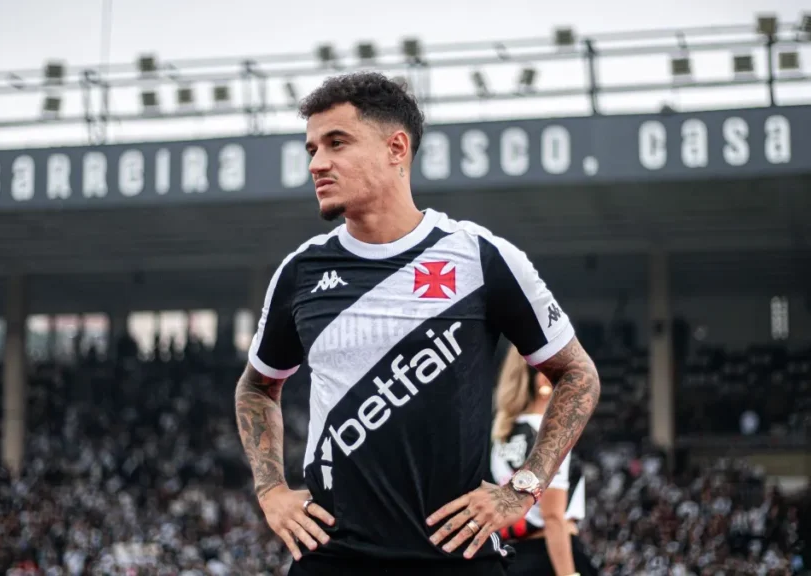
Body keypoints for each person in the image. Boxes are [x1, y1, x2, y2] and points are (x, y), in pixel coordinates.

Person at [234, 71, 601, 576]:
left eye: (337, 143)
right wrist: (270, 489)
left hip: (457, 555)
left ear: (396, 148)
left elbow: (578, 374)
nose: (317, 163)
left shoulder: (480, 258)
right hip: (333, 556)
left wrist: (523, 487)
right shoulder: (301, 271)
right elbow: (256, 387)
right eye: (312, 149)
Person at [490, 345, 599, 576]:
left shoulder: (502, 434)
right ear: (542, 380)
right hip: (553, 555)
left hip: (514, 558)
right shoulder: (549, 434)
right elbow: (552, 517)